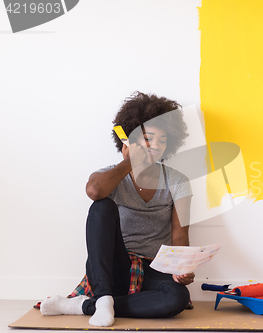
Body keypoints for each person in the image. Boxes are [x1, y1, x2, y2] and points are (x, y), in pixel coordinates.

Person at [40, 92, 195, 327]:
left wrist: (182, 268)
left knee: (177, 298)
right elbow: (93, 191)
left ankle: (85, 305)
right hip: (115, 269)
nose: (155, 146)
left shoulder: (178, 181)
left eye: (162, 141)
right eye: (148, 138)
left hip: (155, 268)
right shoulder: (110, 175)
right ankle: (103, 298)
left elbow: (180, 236)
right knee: (101, 206)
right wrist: (130, 162)